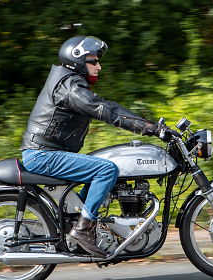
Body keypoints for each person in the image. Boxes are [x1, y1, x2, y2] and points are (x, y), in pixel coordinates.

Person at [20, 35, 168, 258]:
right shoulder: (69, 86)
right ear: (76, 61)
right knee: (106, 169)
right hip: (44, 155)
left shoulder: (69, 81)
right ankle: (82, 230)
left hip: (48, 152)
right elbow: (104, 110)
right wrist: (151, 128)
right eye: (92, 61)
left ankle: (82, 224)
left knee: (100, 166)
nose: (98, 66)